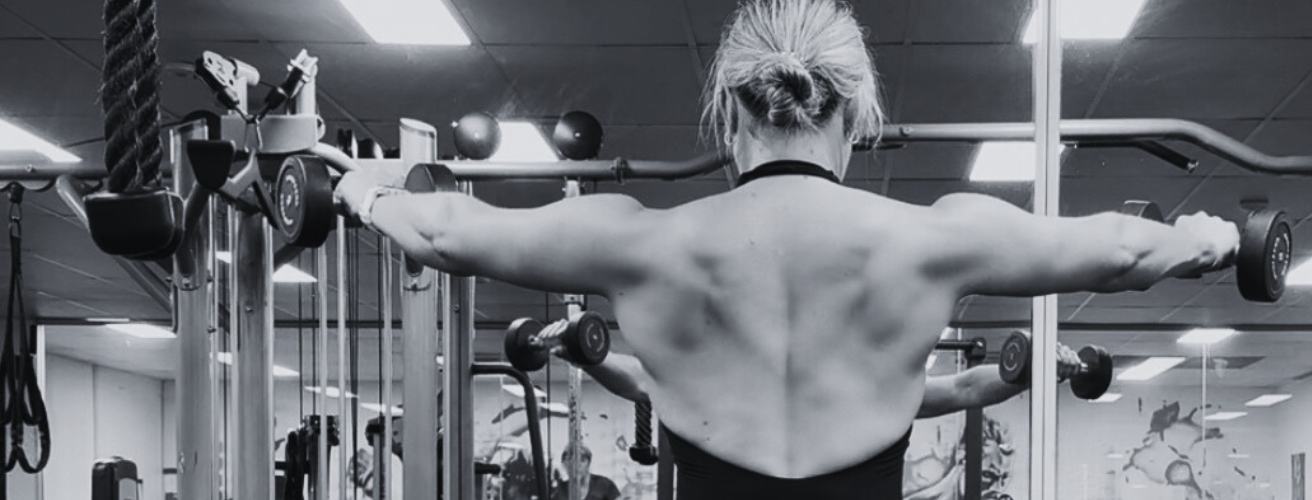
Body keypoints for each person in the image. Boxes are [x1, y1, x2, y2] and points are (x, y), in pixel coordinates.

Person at [334, 0, 1239, 496]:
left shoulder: (641, 243)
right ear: (854, 119)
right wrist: (1211, 236)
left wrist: (354, 183)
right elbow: (1125, 252)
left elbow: (441, 230)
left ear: (730, 117)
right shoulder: (934, 239)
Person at [542, 319, 1084, 418]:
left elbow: (964, 386)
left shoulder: (858, 397)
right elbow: (640, 379)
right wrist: (586, 354)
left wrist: (1030, 373)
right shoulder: (733, 392)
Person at [550, 445, 622, 500]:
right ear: (564, 465)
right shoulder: (559, 491)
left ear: (588, 463)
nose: (577, 465)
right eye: (570, 461)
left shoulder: (604, 485)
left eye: (582, 460)